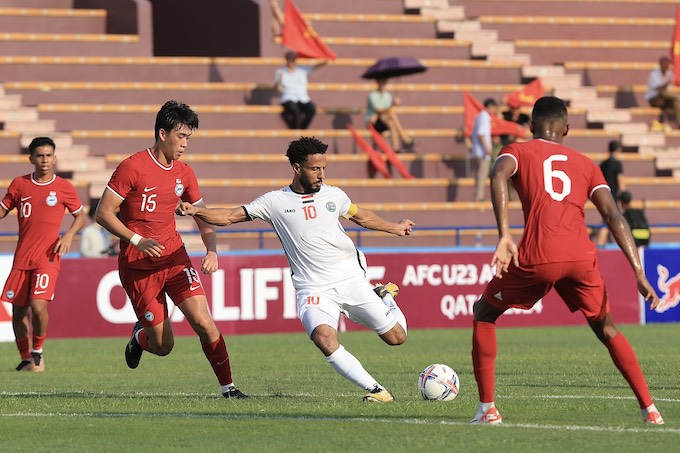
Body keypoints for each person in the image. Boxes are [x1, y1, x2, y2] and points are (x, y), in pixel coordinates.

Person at [470, 96, 664, 425]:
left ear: (531, 126)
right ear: (567, 129)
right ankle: (651, 410)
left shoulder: (517, 150)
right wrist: (639, 271)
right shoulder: (586, 164)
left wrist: (505, 234)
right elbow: (614, 216)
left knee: (484, 314)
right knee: (607, 329)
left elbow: (497, 175)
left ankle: (488, 409)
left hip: (538, 255)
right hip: (580, 257)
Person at [176, 136, 414, 403]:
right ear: (297, 168)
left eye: (324, 168)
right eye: (315, 168)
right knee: (324, 338)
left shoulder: (334, 195)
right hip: (313, 288)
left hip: (351, 279)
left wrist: (395, 227)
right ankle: (377, 391)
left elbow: (362, 216)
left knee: (397, 338)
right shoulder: (274, 202)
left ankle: (385, 297)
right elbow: (230, 216)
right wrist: (196, 211)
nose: (321, 174)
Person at [95, 100, 247, 399]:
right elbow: (103, 213)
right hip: (138, 265)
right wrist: (138, 240)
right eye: (181, 136)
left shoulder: (185, 173)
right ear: (162, 133)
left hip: (175, 258)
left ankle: (229, 389)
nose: (185, 144)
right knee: (164, 347)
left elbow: (203, 216)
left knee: (205, 323)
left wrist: (212, 250)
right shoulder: (132, 167)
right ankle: (140, 338)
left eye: (189, 137)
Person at [0, 137, 86, 372]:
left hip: (47, 257)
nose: (45, 160)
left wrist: (68, 236)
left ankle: (38, 351)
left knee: (38, 307)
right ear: (31, 159)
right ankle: (26, 358)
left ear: (55, 158)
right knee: (18, 313)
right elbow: (3, 210)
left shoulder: (64, 187)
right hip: (21, 259)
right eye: (40, 155)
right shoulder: (19, 184)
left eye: (49, 155)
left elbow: (81, 216)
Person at [274, 51, 327, 130]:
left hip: (302, 98)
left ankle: (301, 130)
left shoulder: (302, 70)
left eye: (292, 59)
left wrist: (326, 60)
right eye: (289, 59)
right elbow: (277, 90)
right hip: (288, 98)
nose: (290, 62)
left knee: (312, 109)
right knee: (295, 111)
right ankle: (297, 131)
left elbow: (315, 66)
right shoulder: (280, 72)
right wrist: (279, 81)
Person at [365, 78, 415, 152]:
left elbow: (387, 111)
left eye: (384, 82)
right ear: (378, 83)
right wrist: (392, 104)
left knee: (391, 122)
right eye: (382, 82)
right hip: (373, 122)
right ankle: (404, 138)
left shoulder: (387, 95)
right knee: (391, 115)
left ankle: (395, 147)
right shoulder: (373, 95)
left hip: (384, 121)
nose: (383, 85)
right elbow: (379, 110)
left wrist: (395, 104)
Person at [595, 140, 626, 246]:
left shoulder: (603, 164)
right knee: (612, 220)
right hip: (613, 197)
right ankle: (600, 244)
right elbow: (621, 183)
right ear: (618, 150)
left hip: (603, 195)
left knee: (607, 219)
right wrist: (622, 197)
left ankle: (605, 242)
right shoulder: (617, 164)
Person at [470, 98, 498, 202]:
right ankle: (479, 196)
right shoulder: (485, 117)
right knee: (482, 174)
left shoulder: (479, 116)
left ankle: (478, 194)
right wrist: (487, 148)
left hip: (478, 151)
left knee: (479, 174)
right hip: (482, 151)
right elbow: (481, 134)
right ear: (490, 107)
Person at [646, 56, 680, 130]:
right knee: (670, 95)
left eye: (667, 64)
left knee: (677, 102)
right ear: (660, 64)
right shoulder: (654, 74)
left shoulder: (669, 73)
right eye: (664, 64)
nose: (666, 66)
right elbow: (657, 88)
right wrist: (667, 82)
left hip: (665, 99)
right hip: (655, 98)